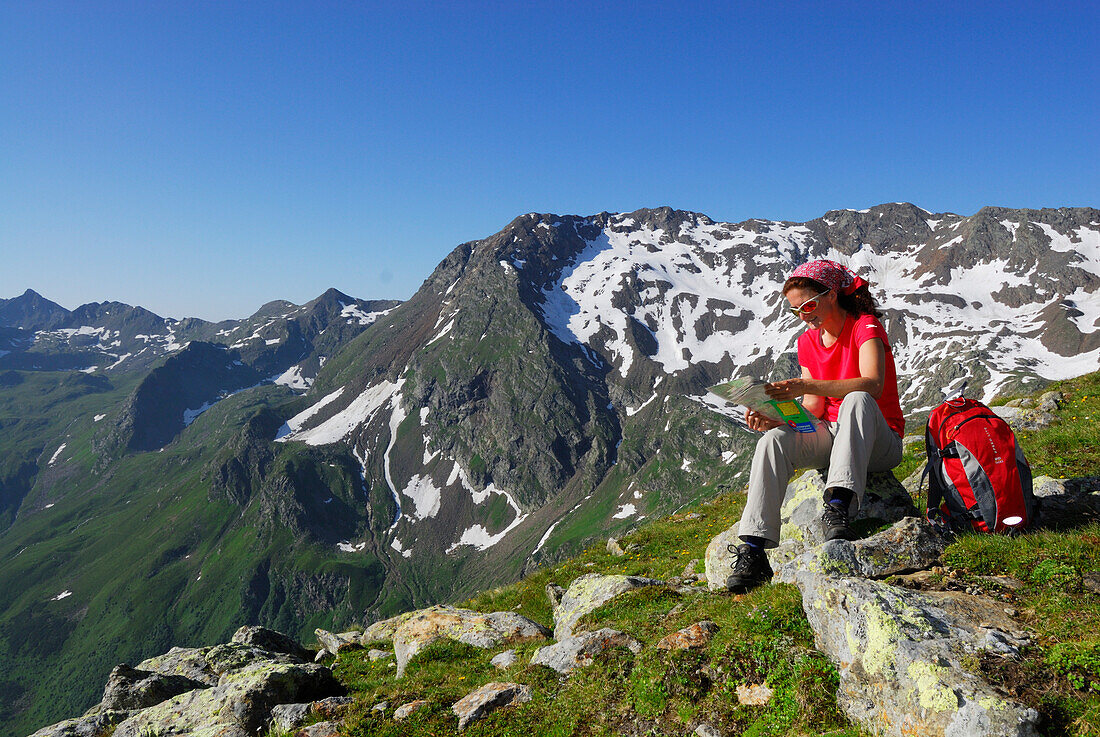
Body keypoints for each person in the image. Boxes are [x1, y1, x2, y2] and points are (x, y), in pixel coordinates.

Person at [726, 259, 905, 593]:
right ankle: (753, 548)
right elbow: (813, 409)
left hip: (880, 440)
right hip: (833, 437)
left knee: (857, 399)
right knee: (773, 440)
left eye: (808, 305)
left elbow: (873, 384)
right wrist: (775, 418)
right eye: (796, 311)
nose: (804, 315)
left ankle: (838, 506)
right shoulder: (808, 342)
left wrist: (807, 386)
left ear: (831, 295)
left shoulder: (864, 327)